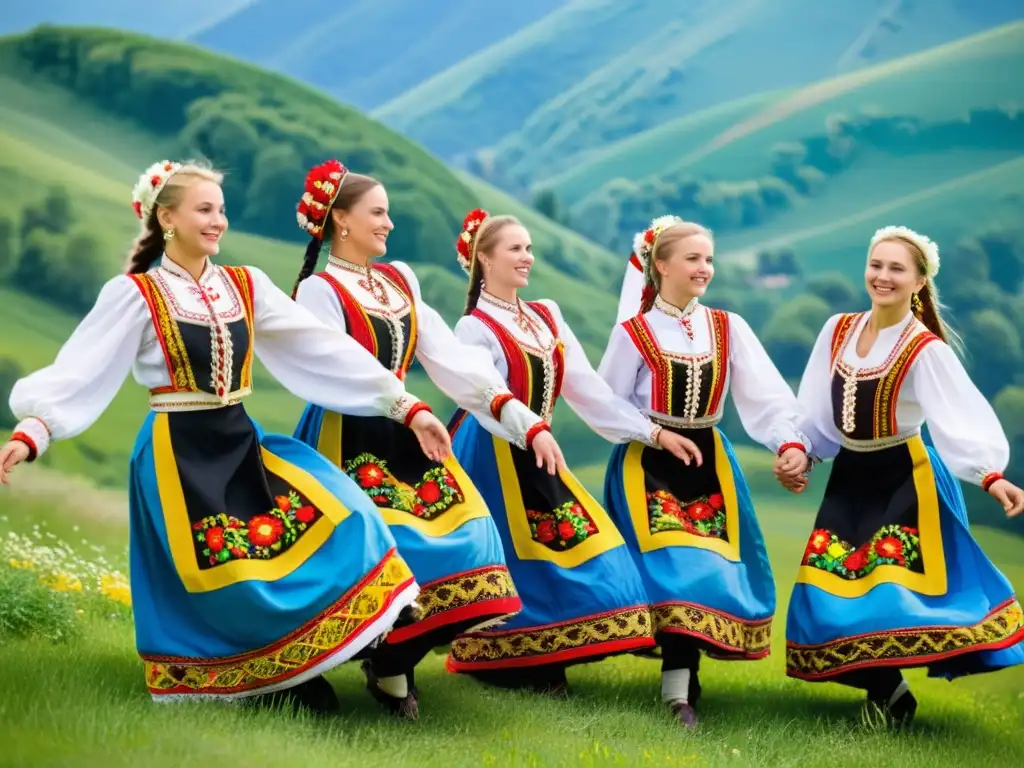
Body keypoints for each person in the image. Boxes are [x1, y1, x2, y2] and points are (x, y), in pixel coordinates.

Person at [0, 159, 457, 713]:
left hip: (239, 439)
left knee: (346, 515)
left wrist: (406, 407)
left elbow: (322, 347)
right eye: (204, 210)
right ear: (166, 217)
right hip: (179, 454)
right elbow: (82, 370)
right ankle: (249, 678)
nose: (218, 221)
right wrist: (33, 431)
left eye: (220, 209)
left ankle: (328, 654)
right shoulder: (136, 295)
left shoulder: (246, 285)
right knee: (229, 567)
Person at [289, 161, 564, 719]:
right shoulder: (319, 291)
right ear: (340, 219)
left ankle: (392, 659)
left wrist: (521, 418)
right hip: (347, 434)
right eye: (378, 212)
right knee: (382, 552)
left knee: (471, 547)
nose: (389, 223)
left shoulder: (400, 280)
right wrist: (404, 405)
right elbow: (332, 367)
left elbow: (448, 357)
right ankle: (347, 669)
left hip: (410, 432)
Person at [444, 208, 701, 695]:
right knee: (517, 560)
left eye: (529, 248)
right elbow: (484, 396)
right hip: (493, 452)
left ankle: (543, 656)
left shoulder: (546, 315)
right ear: (483, 259)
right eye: (516, 249)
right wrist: (530, 427)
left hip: (541, 450)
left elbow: (587, 389)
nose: (528, 257)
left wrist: (651, 432)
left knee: (586, 547)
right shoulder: (472, 328)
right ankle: (512, 662)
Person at [781, 225, 1024, 728]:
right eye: (876, 265)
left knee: (886, 589)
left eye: (896, 269)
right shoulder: (837, 330)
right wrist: (803, 452)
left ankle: (890, 700)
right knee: (825, 589)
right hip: (851, 477)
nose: (882, 276)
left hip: (905, 480)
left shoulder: (923, 348)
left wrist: (989, 475)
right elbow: (816, 407)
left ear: (918, 282)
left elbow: (958, 415)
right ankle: (891, 691)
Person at [598, 216, 811, 727]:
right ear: (662, 265)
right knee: (676, 566)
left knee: (708, 568)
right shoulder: (634, 333)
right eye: (693, 258)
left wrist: (789, 443)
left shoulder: (727, 326)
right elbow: (604, 402)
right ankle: (677, 691)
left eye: (709, 259)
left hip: (710, 462)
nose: (704, 268)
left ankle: (683, 677)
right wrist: (652, 432)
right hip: (647, 464)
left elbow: (765, 395)